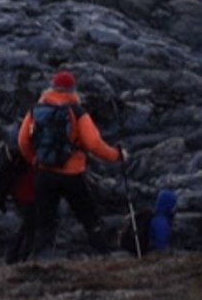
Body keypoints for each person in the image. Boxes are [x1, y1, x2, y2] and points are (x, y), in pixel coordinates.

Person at [17, 69, 126, 257]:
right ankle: (105, 256)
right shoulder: (77, 112)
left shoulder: (36, 110)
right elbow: (94, 144)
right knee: (90, 219)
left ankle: (39, 265)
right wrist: (117, 155)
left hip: (44, 174)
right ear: (72, 89)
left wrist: (34, 159)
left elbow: (23, 141)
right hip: (72, 176)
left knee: (45, 224)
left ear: (51, 88)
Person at [0, 125, 38, 263]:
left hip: (23, 190)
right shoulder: (28, 147)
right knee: (30, 225)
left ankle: (17, 258)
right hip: (28, 190)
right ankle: (20, 259)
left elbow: (3, 176)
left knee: (29, 224)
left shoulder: (12, 148)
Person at [120, 188, 178, 256]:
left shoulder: (156, 217)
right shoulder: (161, 222)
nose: (175, 208)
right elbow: (161, 246)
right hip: (152, 255)